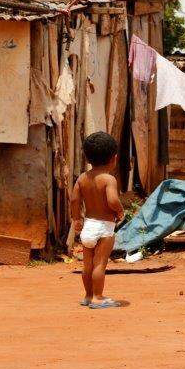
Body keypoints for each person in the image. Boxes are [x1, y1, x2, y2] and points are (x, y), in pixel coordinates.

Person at [71, 132, 124, 309]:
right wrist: (120, 211)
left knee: (87, 266)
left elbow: (74, 200)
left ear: (87, 157)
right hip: (104, 228)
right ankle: (98, 297)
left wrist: (76, 218)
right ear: (113, 158)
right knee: (100, 264)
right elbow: (112, 200)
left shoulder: (82, 178)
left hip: (88, 226)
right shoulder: (109, 179)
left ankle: (87, 295)